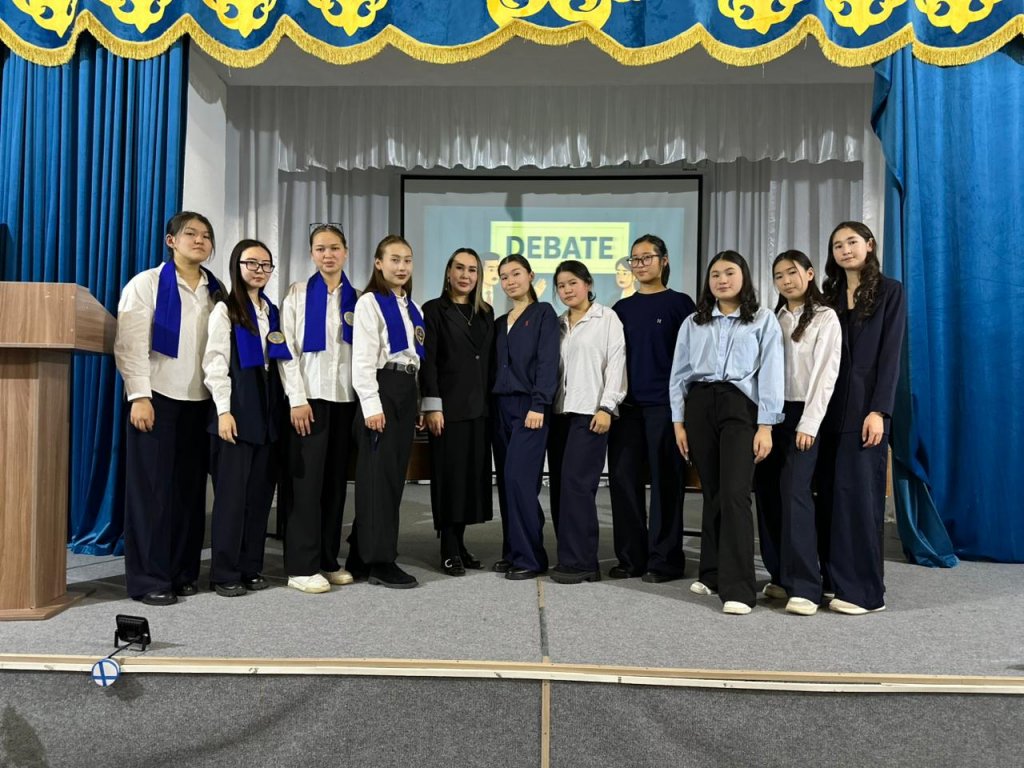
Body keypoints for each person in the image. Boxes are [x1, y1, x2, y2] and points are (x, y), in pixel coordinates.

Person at [114, 211, 221, 606]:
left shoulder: (217, 290)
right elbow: (130, 343)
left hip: (200, 402)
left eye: (206, 235)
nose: (200, 240)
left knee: (189, 493)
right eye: (191, 233)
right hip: (156, 397)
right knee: (152, 493)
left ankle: (182, 571)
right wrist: (139, 396)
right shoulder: (147, 284)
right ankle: (149, 578)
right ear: (171, 240)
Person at [670, 250, 784, 615]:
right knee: (714, 492)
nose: (722, 280)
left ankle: (739, 589)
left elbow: (771, 373)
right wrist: (678, 422)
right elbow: (679, 373)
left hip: (740, 406)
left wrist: (766, 425)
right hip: (700, 405)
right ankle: (713, 572)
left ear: (744, 277)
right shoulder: (694, 321)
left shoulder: (762, 319)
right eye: (715, 274)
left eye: (729, 273)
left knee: (736, 493)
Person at [815, 221, 906, 615]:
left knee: (859, 499)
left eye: (852, 242)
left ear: (869, 245)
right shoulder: (828, 297)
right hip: (828, 409)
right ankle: (833, 582)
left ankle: (865, 594)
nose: (845, 250)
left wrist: (879, 411)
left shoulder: (890, 291)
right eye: (837, 245)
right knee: (829, 498)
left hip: (866, 410)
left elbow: (891, 355)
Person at [753, 250, 841, 616]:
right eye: (779, 276)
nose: (786, 281)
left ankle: (806, 585)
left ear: (809, 274)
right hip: (770, 415)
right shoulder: (771, 319)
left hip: (805, 414)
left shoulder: (825, 317)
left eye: (792, 272)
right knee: (767, 493)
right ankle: (780, 576)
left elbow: (825, 374)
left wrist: (809, 423)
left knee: (795, 494)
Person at [203, 239, 290, 597]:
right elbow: (215, 364)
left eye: (265, 265)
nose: (259, 270)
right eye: (251, 263)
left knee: (259, 497)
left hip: (267, 415)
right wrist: (224, 411)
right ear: (237, 266)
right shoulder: (225, 310)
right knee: (231, 500)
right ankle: (224, 571)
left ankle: (251, 566)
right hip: (237, 413)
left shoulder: (272, 311)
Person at [607, 234, 696, 583]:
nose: (640, 264)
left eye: (647, 257)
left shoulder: (681, 304)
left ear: (664, 260)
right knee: (623, 483)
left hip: (666, 408)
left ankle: (665, 561)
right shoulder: (621, 309)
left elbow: (690, 360)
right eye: (635, 259)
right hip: (627, 409)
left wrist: (684, 412)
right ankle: (631, 559)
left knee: (666, 485)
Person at [278, 223, 359, 594]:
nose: (329, 255)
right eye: (321, 249)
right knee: (306, 485)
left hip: (344, 401)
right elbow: (286, 351)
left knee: (335, 484)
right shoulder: (297, 294)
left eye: (335, 248)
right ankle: (300, 566)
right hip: (308, 401)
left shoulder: (358, 298)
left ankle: (327, 558)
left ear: (346, 252)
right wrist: (296, 399)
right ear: (312, 254)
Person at [351, 234, 425, 588]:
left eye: (407, 260)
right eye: (394, 259)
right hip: (382, 389)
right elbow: (363, 359)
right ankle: (380, 561)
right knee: (377, 479)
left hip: (405, 390)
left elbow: (415, 360)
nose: (402, 266)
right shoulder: (370, 302)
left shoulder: (413, 308)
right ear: (379, 264)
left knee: (393, 478)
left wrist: (418, 402)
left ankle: (360, 554)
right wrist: (371, 405)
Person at [547, 260, 627, 584]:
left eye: (572, 283)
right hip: (559, 414)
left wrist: (607, 407)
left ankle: (583, 562)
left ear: (588, 283)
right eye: (561, 286)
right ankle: (568, 555)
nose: (567, 290)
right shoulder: (557, 324)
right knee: (559, 487)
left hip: (591, 413)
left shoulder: (607, 318)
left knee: (577, 486)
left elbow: (616, 364)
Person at [421, 248, 496, 576]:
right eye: (460, 268)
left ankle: (460, 543)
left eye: (472, 270)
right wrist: (431, 405)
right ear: (448, 272)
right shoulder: (433, 310)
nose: (466, 275)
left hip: (480, 409)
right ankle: (448, 548)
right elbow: (428, 362)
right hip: (447, 411)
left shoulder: (486, 312)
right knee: (449, 480)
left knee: (470, 481)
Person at [491, 254, 560, 580]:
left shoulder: (543, 313)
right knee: (507, 483)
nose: (510, 281)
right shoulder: (499, 322)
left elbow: (548, 361)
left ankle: (531, 558)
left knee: (520, 480)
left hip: (529, 408)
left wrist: (539, 403)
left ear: (531, 276)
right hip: (500, 408)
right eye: (504, 276)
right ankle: (513, 551)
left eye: (516, 274)